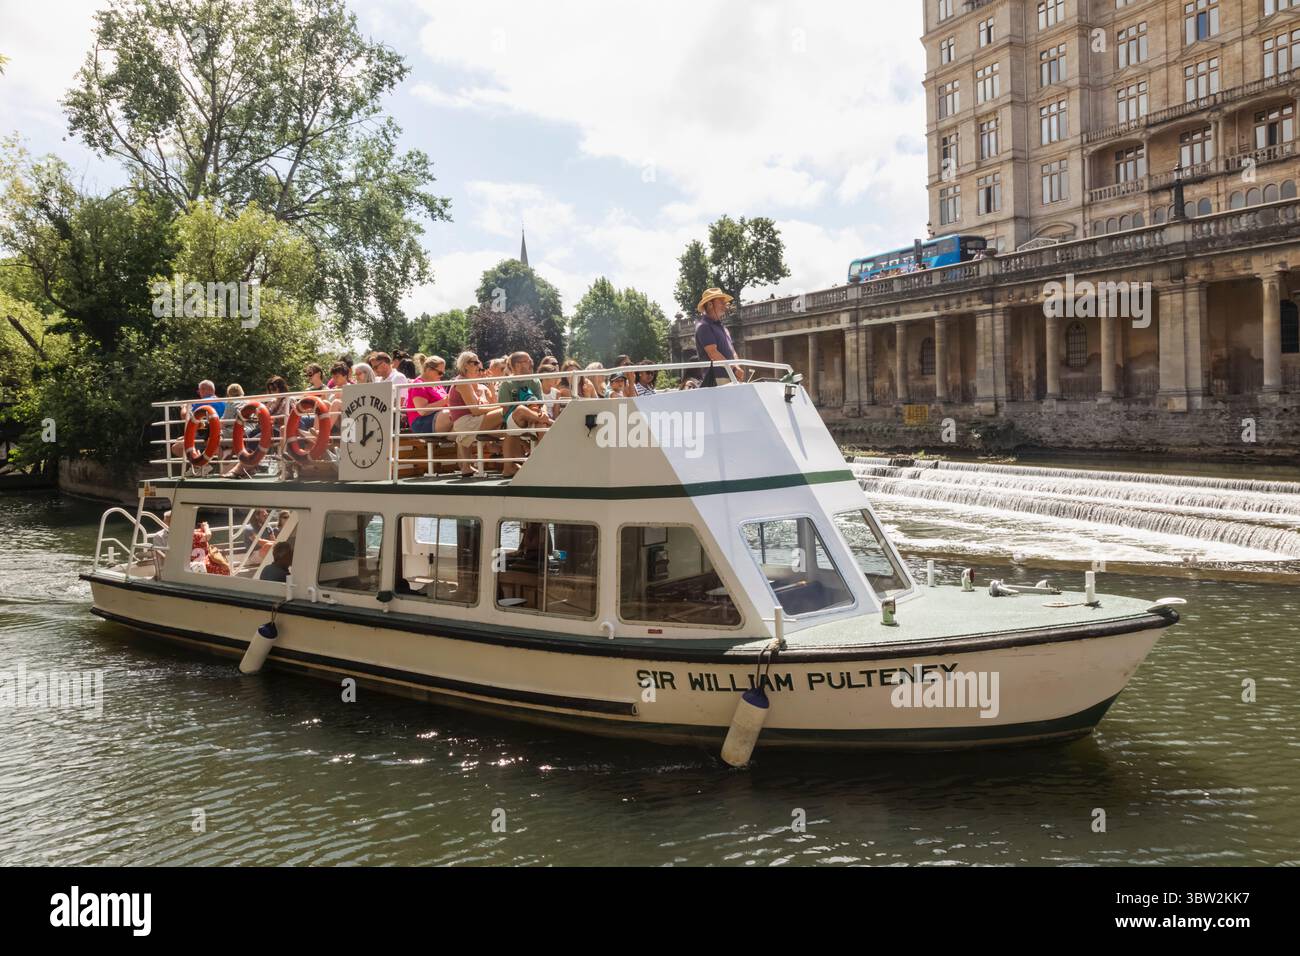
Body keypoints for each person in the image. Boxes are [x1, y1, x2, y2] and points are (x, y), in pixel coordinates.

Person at [448, 351, 505, 476]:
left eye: (478, 362)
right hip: (466, 422)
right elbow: (476, 410)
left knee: (506, 417)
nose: (479, 365)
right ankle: (513, 457)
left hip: (468, 421)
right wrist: (502, 406)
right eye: (475, 362)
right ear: (465, 365)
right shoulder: (462, 382)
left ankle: (467, 466)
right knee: (504, 412)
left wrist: (492, 392)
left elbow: (481, 408)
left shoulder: (469, 382)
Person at [499, 351, 552, 478]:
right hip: (515, 418)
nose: (531, 363)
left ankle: (541, 464)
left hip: (534, 416)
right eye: (528, 361)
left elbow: (541, 404)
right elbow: (505, 409)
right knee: (521, 409)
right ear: (517, 365)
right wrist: (530, 413)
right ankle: (552, 422)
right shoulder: (507, 383)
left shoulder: (535, 381)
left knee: (542, 427)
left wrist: (543, 412)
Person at [695, 288, 740, 387]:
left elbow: (732, 351)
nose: (725, 305)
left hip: (731, 375)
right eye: (721, 302)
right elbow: (713, 353)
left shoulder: (723, 328)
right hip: (717, 377)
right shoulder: (704, 326)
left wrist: (737, 367)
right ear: (710, 305)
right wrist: (734, 369)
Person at [406, 357, 451, 434]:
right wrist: (445, 401)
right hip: (421, 422)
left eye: (443, 373)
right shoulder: (418, 385)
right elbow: (422, 411)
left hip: (439, 418)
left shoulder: (437, 383)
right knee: (451, 414)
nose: (441, 376)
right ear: (428, 370)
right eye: (440, 373)